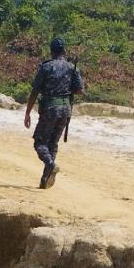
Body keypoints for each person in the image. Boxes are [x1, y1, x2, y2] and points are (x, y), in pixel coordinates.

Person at [24, 38, 84, 190]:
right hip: (66, 110)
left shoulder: (46, 67)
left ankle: (50, 164)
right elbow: (79, 90)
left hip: (50, 108)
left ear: (51, 51)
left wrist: (28, 113)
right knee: (53, 144)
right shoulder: (72, 68)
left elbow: (35, 91)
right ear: (64, 51)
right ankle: (45, 179)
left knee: (39, 142)